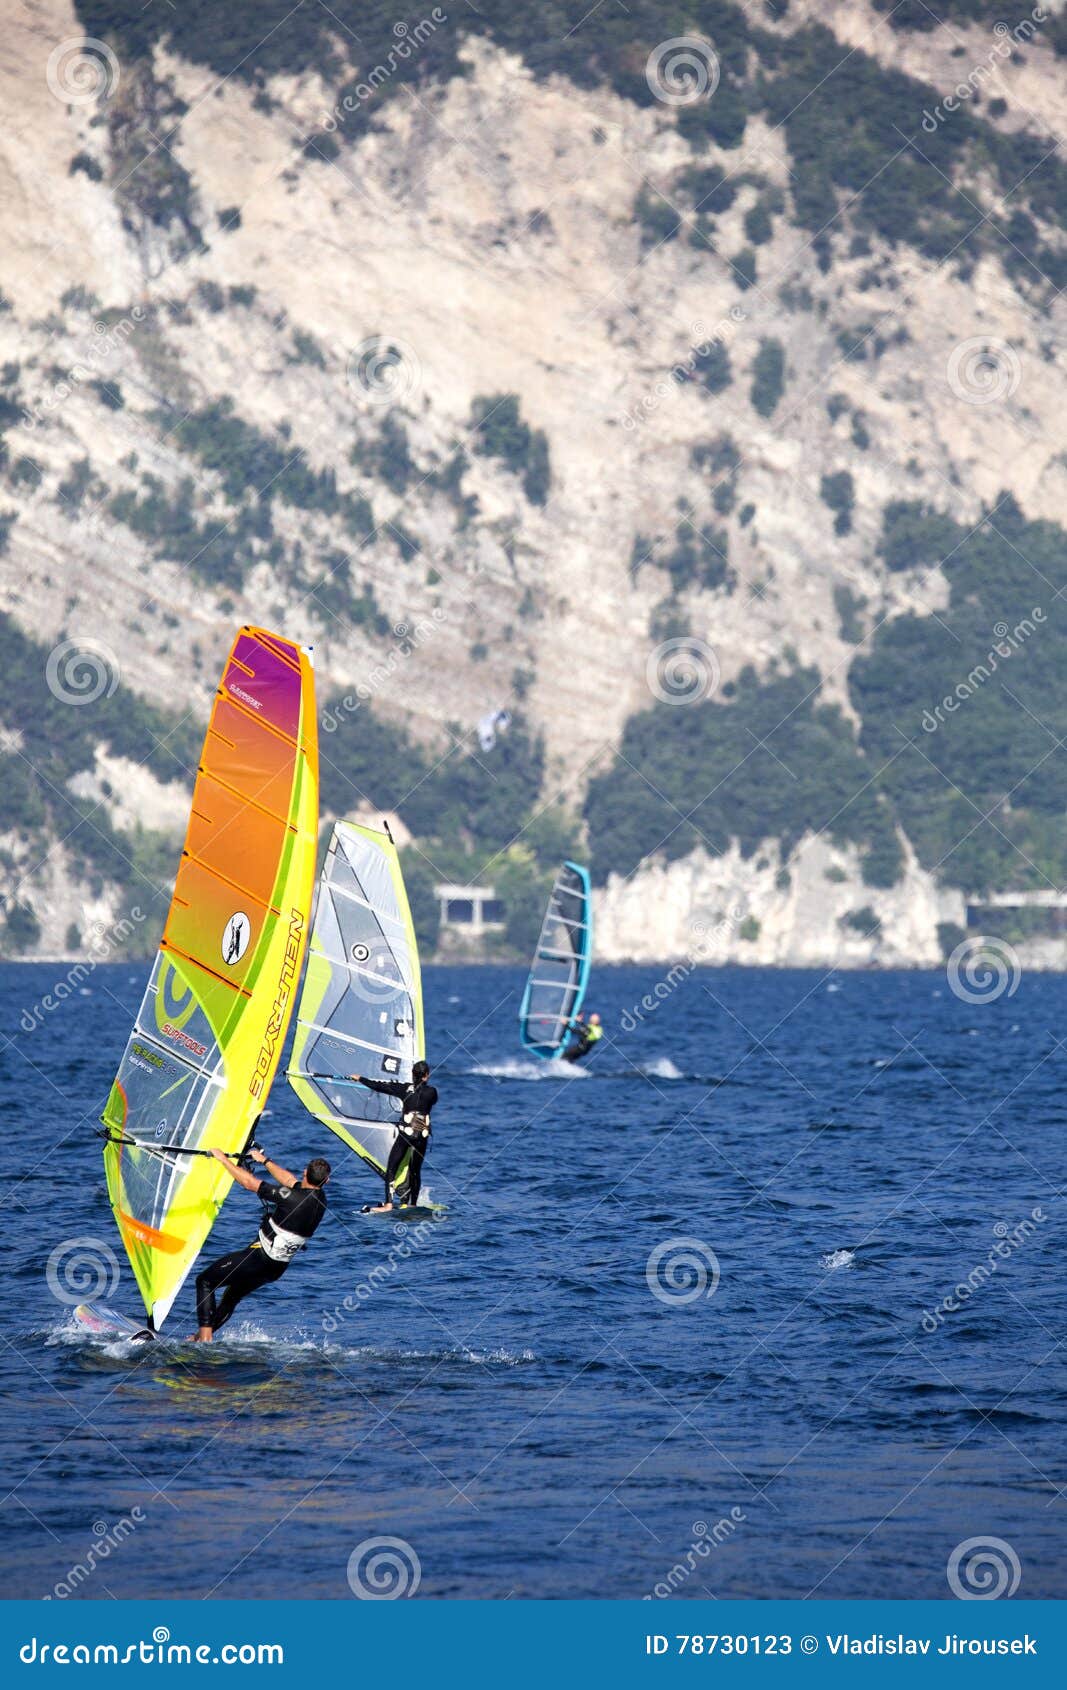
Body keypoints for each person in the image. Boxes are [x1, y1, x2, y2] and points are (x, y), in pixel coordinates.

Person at [192, 1146, 330, 1341]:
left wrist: (222, 1159)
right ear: (326, 1181)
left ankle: (204, 1343)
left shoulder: (290, 1197)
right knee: (232, 1297)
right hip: (276, 1269)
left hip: (259, 1258)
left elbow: (249, 1183)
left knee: (205, 1281)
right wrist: (263, 1160)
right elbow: (289, 1181)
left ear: (305, 1173)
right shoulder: (321, 1199)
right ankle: (199, 1338)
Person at [350, 1059, 438, 1211]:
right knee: (415, 1170)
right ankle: (413, 1203)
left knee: (392, 1167)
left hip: (406, 1136)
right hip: (421, 1137)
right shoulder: (432, 1092)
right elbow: (431, 1102)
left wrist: (360, 1078)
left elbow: (379, 1087)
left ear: (412, 1075)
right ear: (426, 1076)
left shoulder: (403, 1089)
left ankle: (389, 1204)